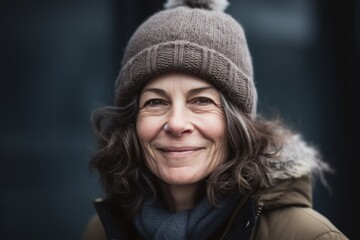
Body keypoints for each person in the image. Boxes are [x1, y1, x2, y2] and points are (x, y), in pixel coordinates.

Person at [83, 0, 348, 239]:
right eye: (156, 102)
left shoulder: (307, 236)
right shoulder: (102, 232)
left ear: (237, 123)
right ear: (132, 122)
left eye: (201, 101)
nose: (176, 123)